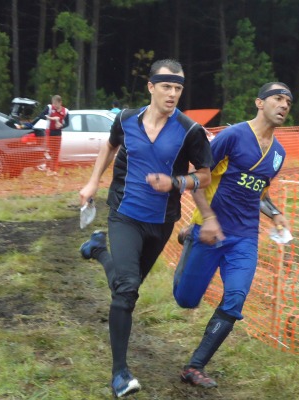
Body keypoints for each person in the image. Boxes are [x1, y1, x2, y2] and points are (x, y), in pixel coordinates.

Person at [77, 59, 213, 398]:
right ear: (151, 87)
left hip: (161, 222)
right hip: (124, 213)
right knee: (126, 290)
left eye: (178, 88)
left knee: (130, 285)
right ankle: (120, 374)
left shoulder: (190, 131)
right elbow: (109, 145)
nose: (172, 94)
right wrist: (93, 182)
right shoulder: (125, 120)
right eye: (166, 86)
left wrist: (176, 182)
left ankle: (97, 250)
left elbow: (205, 176)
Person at [173, 82, 292, 389]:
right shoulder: (232, 135)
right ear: (259, 102)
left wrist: (275, 213)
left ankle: (194, 366)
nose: (284, 105)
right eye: (277, 99)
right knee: (186, 300)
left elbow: (260, 193)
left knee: (236, 298)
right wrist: (205, 221)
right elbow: (200, 177)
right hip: (211, 232)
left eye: (288, 102)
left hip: (245, 238)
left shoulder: (278, 154)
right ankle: (189, 237)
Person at [33, 95, 69, 175]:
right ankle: (48, 169)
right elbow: (41, 115)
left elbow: (67, 123)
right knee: (49, 151)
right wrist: (51, 118)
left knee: (56, 152)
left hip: (58, 133)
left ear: (60, 103)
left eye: (56, 104)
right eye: (53, 103)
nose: (54, 105)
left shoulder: (65, 111)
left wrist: (61, 125)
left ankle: (54, 170)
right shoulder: (49, 108)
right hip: (49, 132)